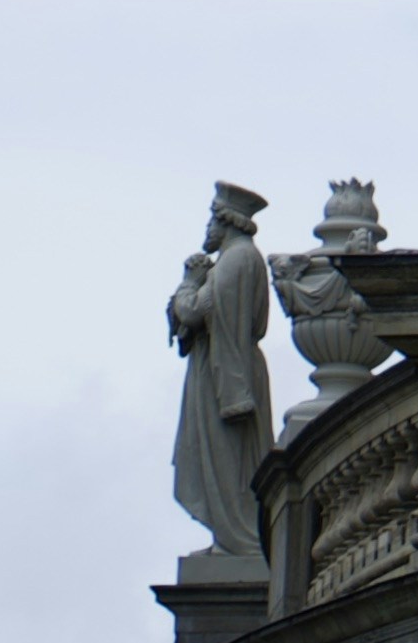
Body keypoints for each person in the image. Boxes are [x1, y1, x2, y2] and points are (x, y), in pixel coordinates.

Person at [164, 181, 273, 576]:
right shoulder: (235, 259)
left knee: (229, 460)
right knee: (225, 458)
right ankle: (228, 539)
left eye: (212, 219)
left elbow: (196, 312)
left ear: (227, 221)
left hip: (225, 376)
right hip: (221, 369)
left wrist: (188, 282)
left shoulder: (235, 260)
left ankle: (239, 540)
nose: (207, 228)